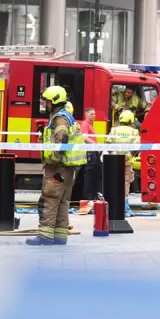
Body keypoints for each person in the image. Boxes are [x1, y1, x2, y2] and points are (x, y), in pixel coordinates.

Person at [28, 85, 87, 246]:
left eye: (47, 101)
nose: (45, 104)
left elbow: (62, 138)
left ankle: (45, 235)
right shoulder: (67, 116)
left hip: (58, 167)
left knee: (51, 199)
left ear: (54, 101)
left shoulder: (59, 118)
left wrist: (53, 159)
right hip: (67, 168)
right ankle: (60, 235)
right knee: (62, 201)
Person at [105, 110, 141, 217]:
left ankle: (113, 204)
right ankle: (124, 205)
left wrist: (115, 155)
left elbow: (108, 144)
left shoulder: (114, 130)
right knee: (126, 182)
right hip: (127, 161)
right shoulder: (134, 132)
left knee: (114, 181)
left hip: (114, 160)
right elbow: (136, 146)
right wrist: (127, 156)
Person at [77, 106, 100, 214]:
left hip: (93, 151)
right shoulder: (85, 124)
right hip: (90, 152)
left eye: (94, 114)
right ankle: (87, 198)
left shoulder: (90, 125)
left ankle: (91, 198)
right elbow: (84, 137)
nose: (94, 116)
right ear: (86, 115)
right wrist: (95, 145)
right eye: (91, 114)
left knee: (93, 175)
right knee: (89, 176)